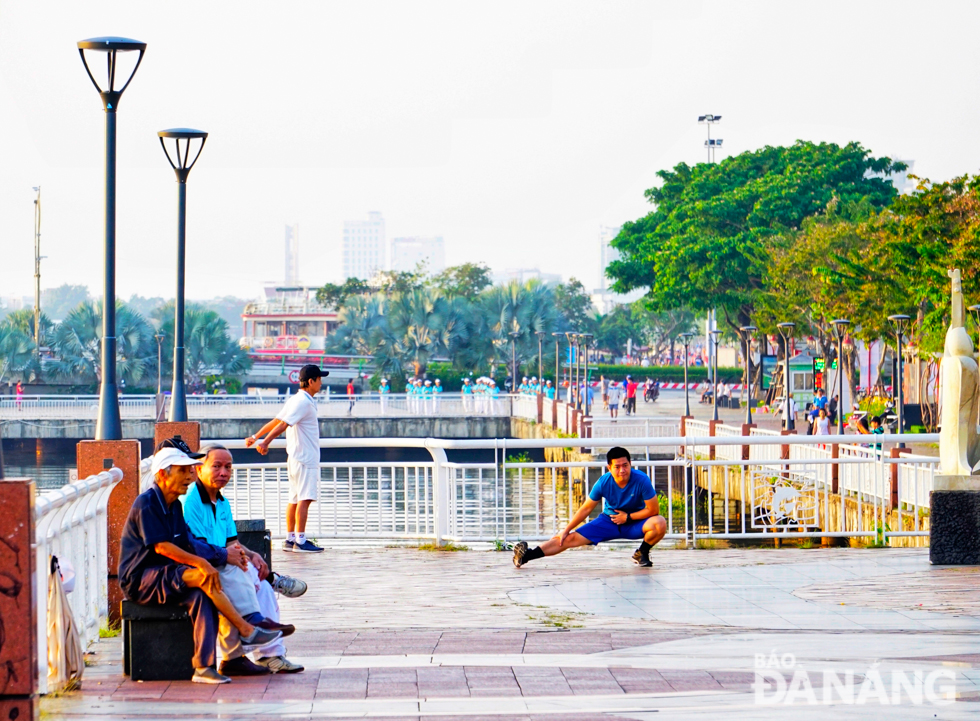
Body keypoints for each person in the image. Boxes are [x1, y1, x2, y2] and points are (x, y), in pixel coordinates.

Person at [118, 445, 282, 685]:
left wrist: (213, 558)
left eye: (190, 470)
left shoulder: (173, 505)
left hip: (167, 574)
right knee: (206, 576)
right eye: (183, 471)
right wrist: (203, 564)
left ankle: (203, 667)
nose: (189, 476)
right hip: (141, 578)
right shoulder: (148, 503)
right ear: (163, 474)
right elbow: (162, 546)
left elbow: (187, 543)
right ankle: (246, 630)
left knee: (203, 596)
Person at [182, 444, 307, 675]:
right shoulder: (191, 502)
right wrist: (237, 557)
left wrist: (252, 555)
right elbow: (199, 547)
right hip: (204, 566)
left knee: (260, 582)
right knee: (244, 573)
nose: (223, 473)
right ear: (199, 470)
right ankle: (258, 617)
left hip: (221, 560)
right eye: (216, 466)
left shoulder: (222, 503)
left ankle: (271, 655)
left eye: (228, 467)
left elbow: (231, 542)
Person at [513, 447, 667, 569]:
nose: (622, 470)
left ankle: (642, 553)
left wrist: (627, 517)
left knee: (659, 523)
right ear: (609, 467)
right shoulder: (603, 482)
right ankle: (526, 556)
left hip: (634, 522)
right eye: (617, 466)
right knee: (567, 539)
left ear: (630, 464)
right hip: (609, 521)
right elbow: (586, 508)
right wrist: (566, 529)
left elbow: (653, 510)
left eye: (625, 465)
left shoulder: (641, 480)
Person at [246, 364, 326, 553]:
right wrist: (265, 442)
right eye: (320, 379)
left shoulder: (297, 399)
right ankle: (300, 540)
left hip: (296, 458)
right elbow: (282, 425)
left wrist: (257, 437)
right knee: (304, 499)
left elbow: (277, 421)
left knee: (295, 499)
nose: (321, 383)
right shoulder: (303, 402)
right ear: (311, 381)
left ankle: (290, 539)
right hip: (305, 459)